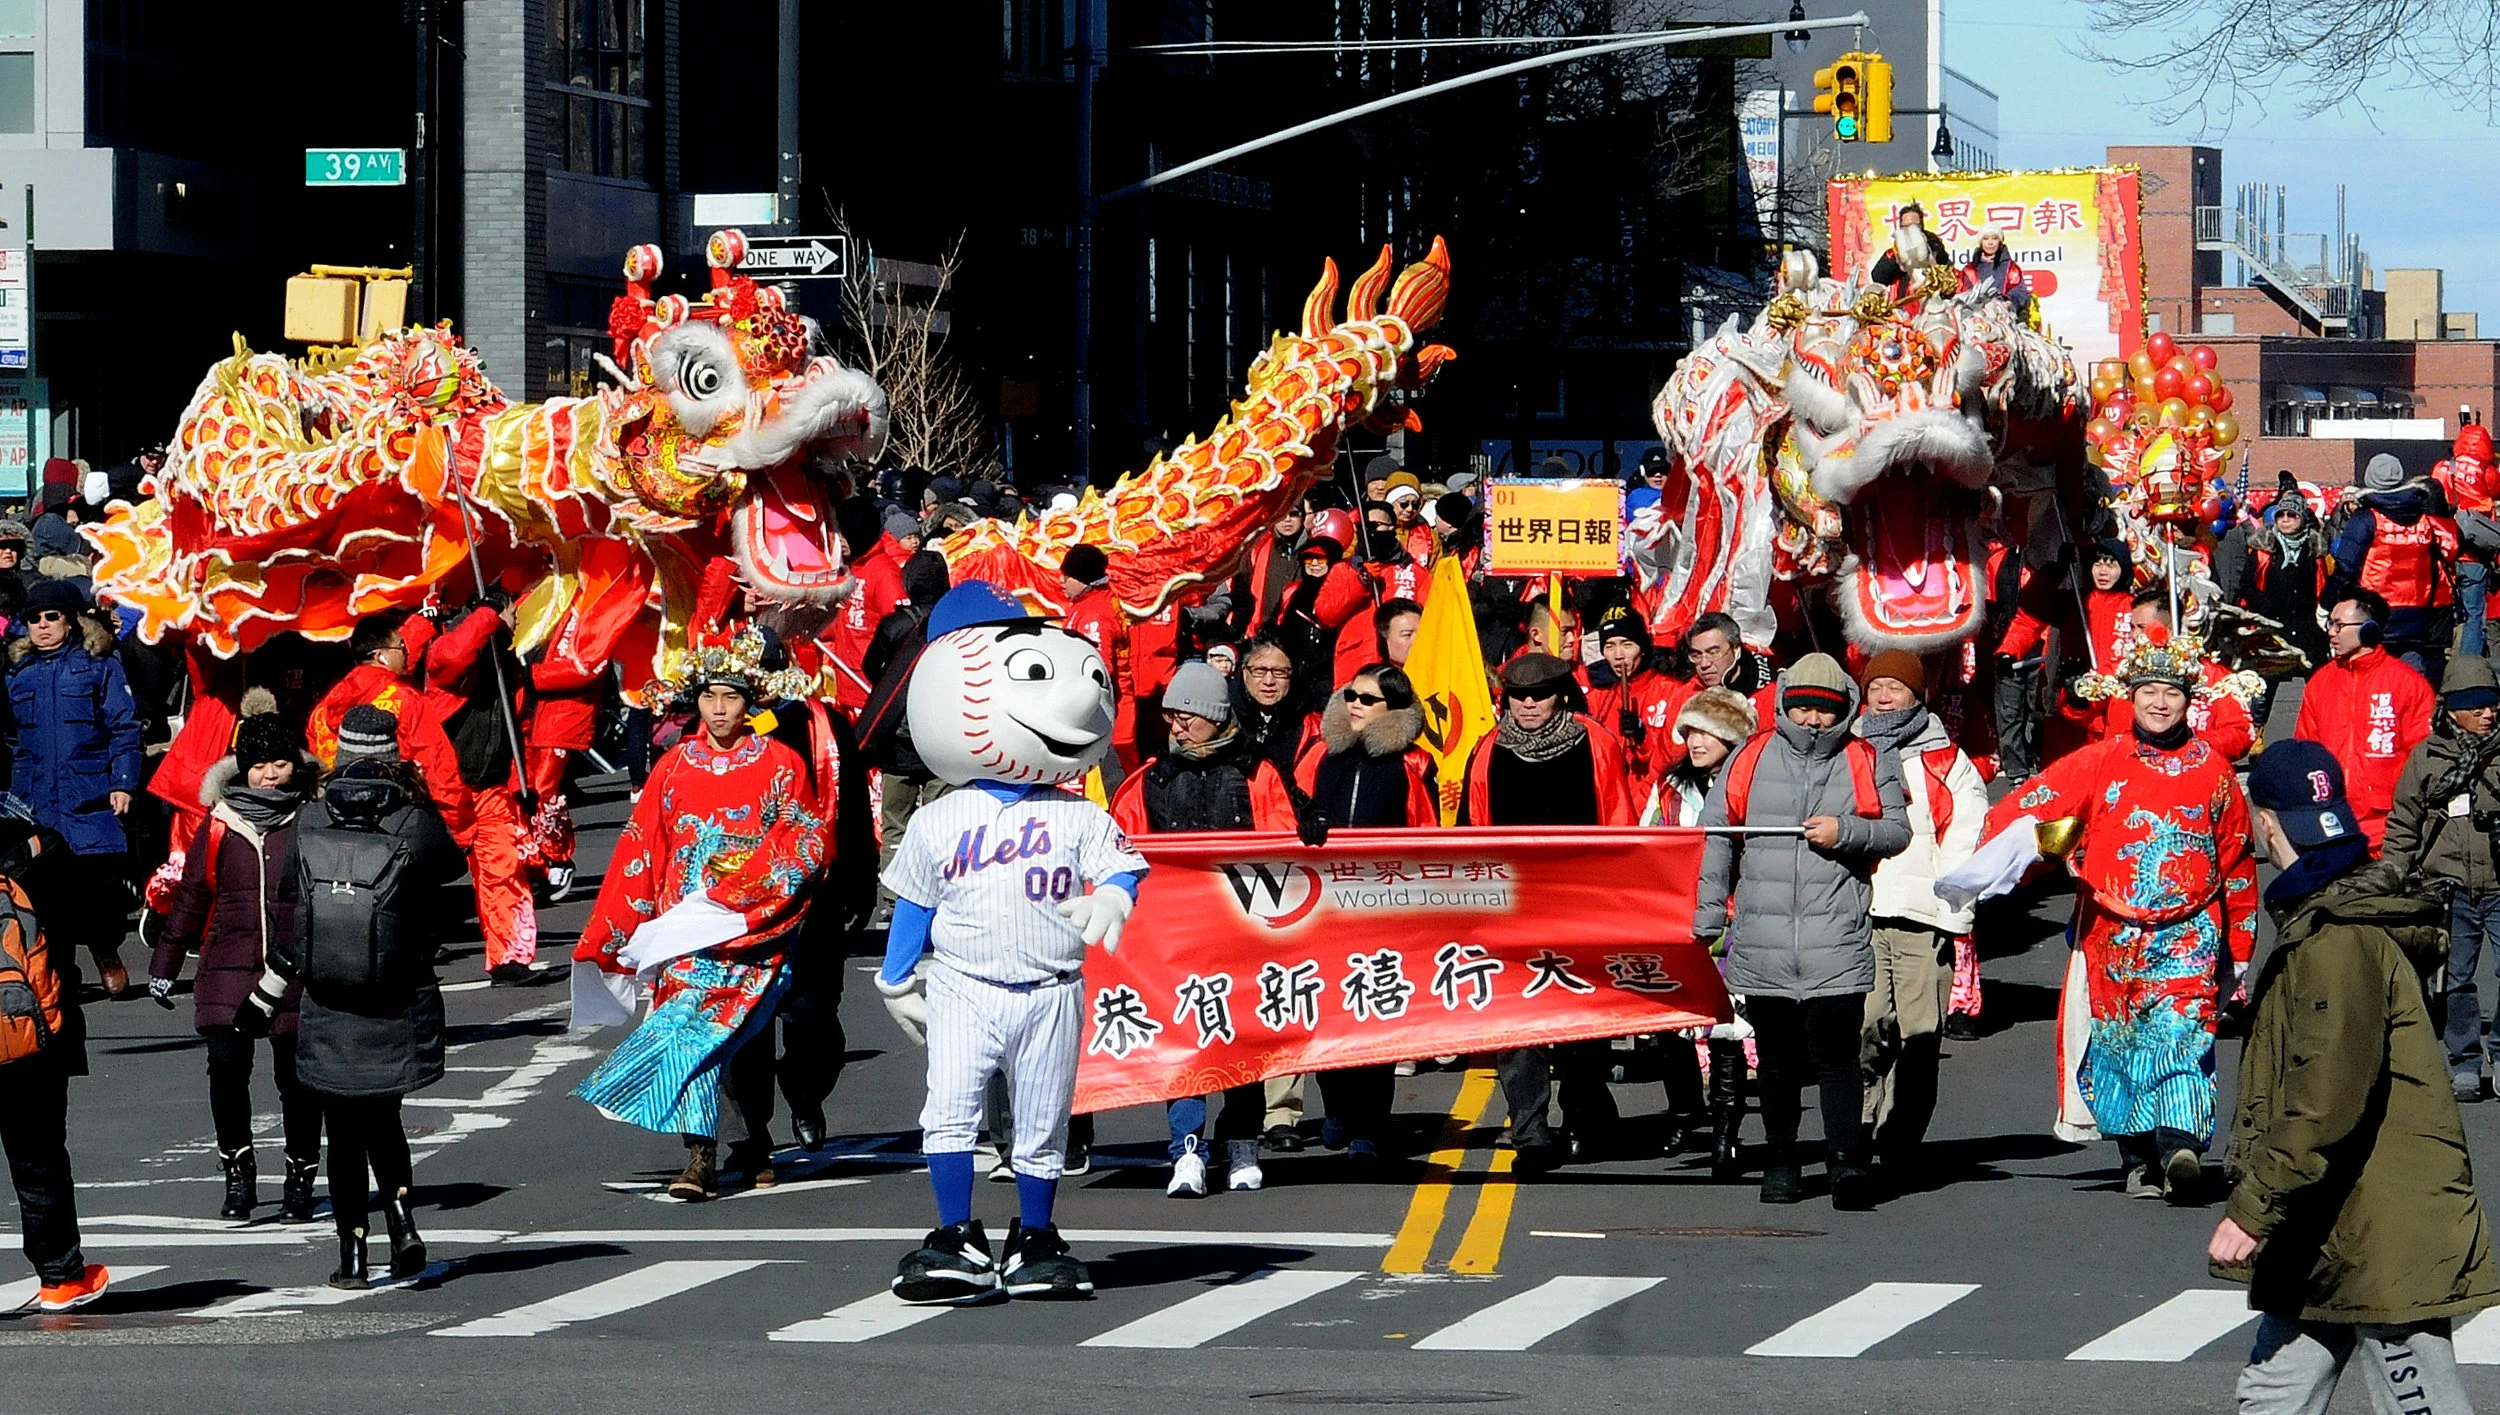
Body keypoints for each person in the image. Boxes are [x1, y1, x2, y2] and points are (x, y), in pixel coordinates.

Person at [878, 582, 1146, 1305]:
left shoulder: (1078, 813)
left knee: (1042, 1118)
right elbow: (916, 899)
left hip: (1053, 985)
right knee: (951, 1110)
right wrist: (895, 977)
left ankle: (1035, 1234)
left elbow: (1123, 865)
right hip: (966, 982)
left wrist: (1115, 895)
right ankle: (955, 1233)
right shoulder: (943, 816)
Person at [2216, 738, 2498, 1414]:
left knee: (2419, 1402)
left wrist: (2254, 1205)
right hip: (2325, 1223)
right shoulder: (2331, 917)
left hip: (2377, 1229)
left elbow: (2326, 1093)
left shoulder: (2336, 938)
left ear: (2265, 822)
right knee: (2270, 1397)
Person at [1988, 626, 2257, 1201]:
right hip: (2111, 932)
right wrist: (2029, 848)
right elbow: (2025, 807)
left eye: (2173, 693)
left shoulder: (2215, 770)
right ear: (2130, 697)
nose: (2160, 703)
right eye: (2148, 692)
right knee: (2120, 1040)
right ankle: (2136, 1156)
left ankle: (2180, 1143)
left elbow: (2236, 858)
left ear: (2190, 700)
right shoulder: (2099, 761)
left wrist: (2240, 944)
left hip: (2190, 929)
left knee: (2185, 1033)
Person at [571, 637, 829, 1201]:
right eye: (709, 696)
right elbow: (643, 846)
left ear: (750, 703)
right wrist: (620, 925)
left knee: (739, 1042)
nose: (718, 708)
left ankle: (754, 1140)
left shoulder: (780, 764)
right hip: (685, 926)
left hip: (751, 927)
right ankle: (699, 1158)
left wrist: (747, 896)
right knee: (686, 1032)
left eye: (730, 698)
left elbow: (807, 841)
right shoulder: (672, 766)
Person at [243, 706, 462, 1289]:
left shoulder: (310, 817)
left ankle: (353, 1256)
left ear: (338, 753)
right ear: (392, 753)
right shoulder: (414, 819)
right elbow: (452, 871)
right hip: (395, 991)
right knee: (384, 1118)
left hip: (327, 994)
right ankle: (401, 1220)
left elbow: (294, 897)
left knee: (341, 1130)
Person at [1694, 653, 1910, 1208]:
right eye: (1804, 708)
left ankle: (1846, 1164)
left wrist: (1847, 832)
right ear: (1785, 704)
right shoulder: (1751, 754)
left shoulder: (1867, 756)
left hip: (1835, 933)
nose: (1814, 720)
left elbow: (1895, 831)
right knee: (1777, 1058)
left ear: (1845, 709)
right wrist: (1707, 914)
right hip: (1763, 938)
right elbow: (1715, 836)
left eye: (1826, 710)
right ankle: (1782, 1161)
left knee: (1836, 1056)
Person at [1112, 661, 1296, 1197]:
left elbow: (1281, 845)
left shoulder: (1258, 772)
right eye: (1172, 714)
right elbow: (1117, 851)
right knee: (1185, 1045)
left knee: (1244, 1044)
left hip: (1244, 936)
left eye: (1188, 714)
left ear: (1217, 717)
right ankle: (1186, 1151)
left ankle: (1243, 1143)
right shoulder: (1147, 781)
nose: (1177, 724)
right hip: (1173, 939)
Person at [1462, 653, 1639, 1169]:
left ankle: (1583, 1114)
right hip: (1513, 908)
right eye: (1518, 694)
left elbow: (1619, 821)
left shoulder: (1596, 742)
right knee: (1521, 1026)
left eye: (1539, 694)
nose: (1528, 702)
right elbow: (1475, 830)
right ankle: (1530, 1129)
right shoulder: (1489, 749)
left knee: (1584, 1022)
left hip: (1583, 904)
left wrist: (1620, 899)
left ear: (1561, 694)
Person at [149, 705, 323, 1222]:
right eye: (259, 765)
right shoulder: (219, 823)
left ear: (296, 765)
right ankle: (238, 1173)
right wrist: (165, 962)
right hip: (227, 964)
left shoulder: (312, 819)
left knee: (295, 1079)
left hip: (295, 968)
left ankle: (299, 1175)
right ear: (241, 769)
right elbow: (192, 896)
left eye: (280, 764)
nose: (270, 775)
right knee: (226, 1068)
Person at [1294, 663, 1439, 1161]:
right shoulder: (1320, 757)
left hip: (1383, 911)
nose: (1354, 704)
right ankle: (1336, 1107)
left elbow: (1425, 839)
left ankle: (1371, 1123)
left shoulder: (1413, 766)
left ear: (1393, 709)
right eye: (1351, 694)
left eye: (1368, 698)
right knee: (1327, 1012)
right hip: (1323, 908)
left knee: (1376, 1014)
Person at [1851, 651, 1986, 1178]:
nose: (1885, 695)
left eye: (1896, 687)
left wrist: (1949, 904)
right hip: (1858, 911)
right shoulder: (1846, 749)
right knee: (1863, 1024)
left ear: (1917, 695)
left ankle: (1900, 1137)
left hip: (1921, 915)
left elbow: (1966, 834)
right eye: (1876, 685)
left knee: (1917, 1034)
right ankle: (1858, 1125)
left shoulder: (1945, 759)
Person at [6, 579, 143, 997]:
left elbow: (124, 728)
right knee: (44, 894)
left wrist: (123, 783)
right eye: (34, 618)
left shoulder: (100, 665)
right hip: (35, 800)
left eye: (52, 616)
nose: (43, 625)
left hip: (90, 797)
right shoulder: (17, 673)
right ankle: (61, 973)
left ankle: (106, 949)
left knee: (97, 888)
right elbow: (10, 740)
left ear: (70, 621)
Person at [2384, 655, 2500, 1103]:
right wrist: (2393, 876)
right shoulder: (2428, 757)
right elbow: (2404, 821)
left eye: (2492, 705)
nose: (2488, 714)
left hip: (2497, 881)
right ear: (2452, 710)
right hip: (2448, 886)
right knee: (2456, 979)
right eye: (2476, 706)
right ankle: (2464, 1061)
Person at [1658, 686, 1759, 1179]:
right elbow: (1650, 841)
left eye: (1709, 731)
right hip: (1679, 914)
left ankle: (1725, 1134)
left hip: (1737, 917)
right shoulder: (1671, 789)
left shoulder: (1754, 787)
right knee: (1668, 1020)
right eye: (1691, 730)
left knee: (1725, 1028)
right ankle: (1682, 1110)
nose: (1696, 741)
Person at [417, 597, 539, 981]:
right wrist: (486, 615)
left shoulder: (507, 662)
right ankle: (412, 951)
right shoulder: (451, 653)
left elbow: (517, 731)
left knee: (503, 870)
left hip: (489, 787)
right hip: (440, 788)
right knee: (417, 876)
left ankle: (509, 958)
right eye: (512, 610)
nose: (518, 616)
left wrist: (524, 783)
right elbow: (450, 657)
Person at [2295, 589, 2436, 851]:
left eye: (2339, 625)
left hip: (2391, 828)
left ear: (2369, 629)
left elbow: (2424, 755)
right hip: (2332, 824)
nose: (2331, 632)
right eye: (2330, 624)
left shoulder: (2408, 684)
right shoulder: (2320, 683)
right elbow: (2305, 750)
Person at [2331, 452, 2461, 683]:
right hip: (2418, 607)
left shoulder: (2366, 518)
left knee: (2373, 672)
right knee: (2413, 670)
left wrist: (2328, 603)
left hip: (2375, 608)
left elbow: (2346, 566)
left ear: (2369, 480)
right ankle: (2418, 711)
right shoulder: (2422, 518)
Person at [2232, 477, 2330, 722]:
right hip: (2273, 627)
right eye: (2281, 515)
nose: (2285, 519)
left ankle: (2317, 729)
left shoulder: (2314, 550)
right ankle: (2256, 732)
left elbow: (2325, 586)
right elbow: (2246, 584)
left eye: (2291, 515)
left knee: (2319, 687)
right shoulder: (2264, 550)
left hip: (2308, 629)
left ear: (2302, 519)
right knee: (2265, 688)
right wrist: (2263, 605)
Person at [1584, 605, 1685, 810]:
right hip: (1609, 805)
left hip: (1651, 805)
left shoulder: (1672, 692)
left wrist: (1642, 735)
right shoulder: (1598, 698)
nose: (1618, 655)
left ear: (1643, 647)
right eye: (1610, 646)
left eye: (1627, 644)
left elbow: (1675, 757)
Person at [2434, 423, 2500, 657]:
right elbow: (2495, 492)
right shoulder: (2486, 471)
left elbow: (2434, 494)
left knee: (2443, 608)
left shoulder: (2442, 467)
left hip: (2445, 550)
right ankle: (2469, 663)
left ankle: (2444, 654)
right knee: (2475, 614)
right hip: (2474, 553)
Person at [1869, 201, 1953, 299]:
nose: (1910, 230)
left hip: (1930, 301)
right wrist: (1896, 258)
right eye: (1906, 227)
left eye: (1915, 226)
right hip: (1902, 303)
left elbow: (1947, 270)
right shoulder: (1893, 252)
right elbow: (1878, 277)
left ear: (1921, 226)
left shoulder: (1934, 245)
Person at [1957, 225, 2031, 317]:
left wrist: (2008, 303)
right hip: (1974, 315)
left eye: (1995, 238)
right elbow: (1961, 292)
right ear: (1981, 242)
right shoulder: (1970, 269)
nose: (1990, 243)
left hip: (2002, 314)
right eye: (1986, 239)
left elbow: (2020, 291)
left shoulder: (2010, 267)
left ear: (2000, 241)